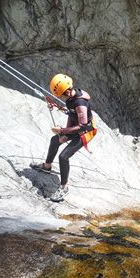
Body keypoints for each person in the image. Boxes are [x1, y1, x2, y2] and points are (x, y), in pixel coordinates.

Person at [30, 74, 96, 202]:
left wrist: (62, 130)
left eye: (61, 95)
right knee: (55, 140)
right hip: (76, 127)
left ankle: (64, 187)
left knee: (63, 156)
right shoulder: (71, 97)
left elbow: (83, 126)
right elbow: (72, 113)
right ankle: (47, 166)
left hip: (85, 132)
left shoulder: (80, 102)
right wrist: (59, 108)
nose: (60, 97)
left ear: (66, 91)